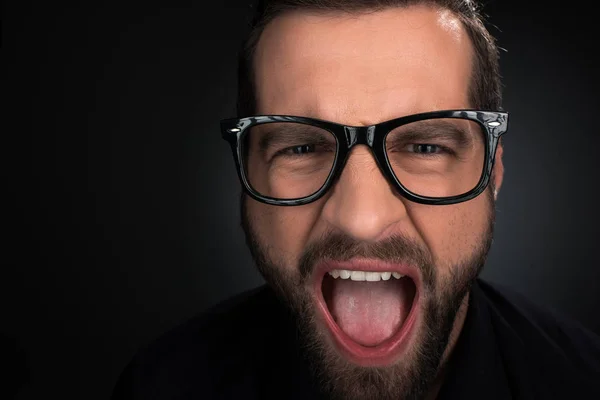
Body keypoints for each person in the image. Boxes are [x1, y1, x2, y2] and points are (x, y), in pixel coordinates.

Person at [111, 0, 600, 398]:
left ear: (492, 170)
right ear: (245, 173)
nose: (362, 219)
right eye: (302, 147)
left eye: (425, 146)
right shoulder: (161, 386)